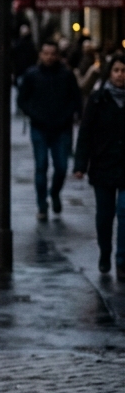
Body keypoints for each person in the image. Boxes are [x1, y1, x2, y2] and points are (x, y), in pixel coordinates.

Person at [18, 40, 82, 220]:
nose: (49, 57)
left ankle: (54, 193)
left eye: (52, 54)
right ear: (41, 54)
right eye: (46, 53)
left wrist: (69, 115)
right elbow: (22, 100)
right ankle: (42, 205)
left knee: (61, 166)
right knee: (41, 166)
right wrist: (34, 114)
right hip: (39, 126)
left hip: (61, 127)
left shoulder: (66, 75)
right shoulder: (32, 75)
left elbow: (75, 98)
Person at [74, 54, 125, 273]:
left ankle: (122, 260)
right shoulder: (98, 99)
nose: (120, 75)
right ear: (109, 73)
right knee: (105, 214)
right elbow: (85, 133)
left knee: (124, 211)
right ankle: (105, 252)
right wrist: (80, 165)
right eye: (116, 70)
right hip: (103, 164)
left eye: (124, 71)